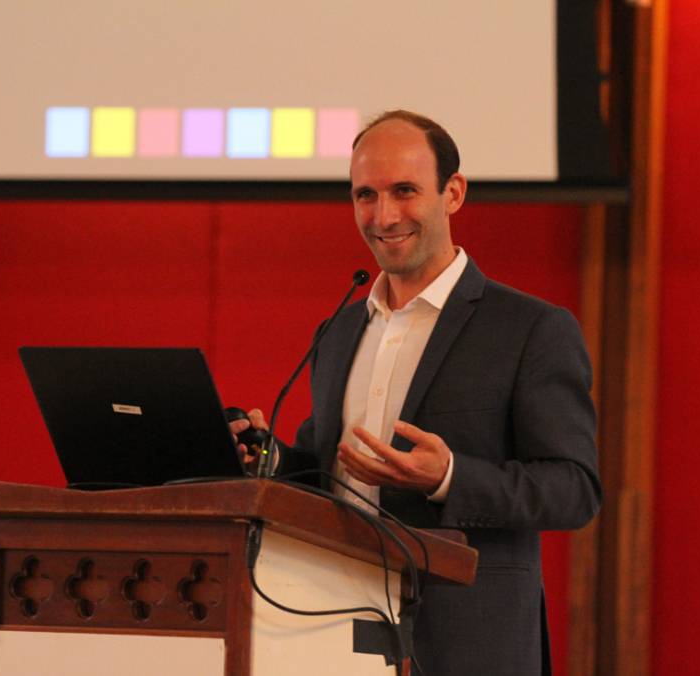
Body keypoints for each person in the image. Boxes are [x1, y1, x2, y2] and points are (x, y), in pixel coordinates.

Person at [231, 110, 602, 675]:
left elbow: (574, 489)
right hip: (327, 630)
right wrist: (268, 456)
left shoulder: (531, 329)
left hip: (468, 643)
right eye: (365, 195)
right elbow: (327, 472)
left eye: (405, 191)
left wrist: (449, 476)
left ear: (453, 193)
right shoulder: (338, 331)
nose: (384, 216)